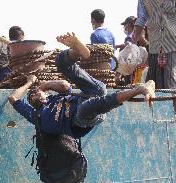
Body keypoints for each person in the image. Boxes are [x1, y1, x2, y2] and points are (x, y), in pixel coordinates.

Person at [8, 32, 155, 174]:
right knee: (88, 107)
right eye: (31, 98)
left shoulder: (55, 98)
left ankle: (78, 52)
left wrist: (45, 85)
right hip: (82, 119)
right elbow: (13, 99)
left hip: (92, 92)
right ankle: (141, 88)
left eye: (35, 92)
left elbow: (65, 85)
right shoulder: (36, 116)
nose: (33, 96)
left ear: (45, 94)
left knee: (60, 61)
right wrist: (28, 84)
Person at [134, 0, 176, 89]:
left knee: (171, 86)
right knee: (152, 87)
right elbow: (141, 18)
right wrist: (133, 43)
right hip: (154, 47)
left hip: (172, 45)